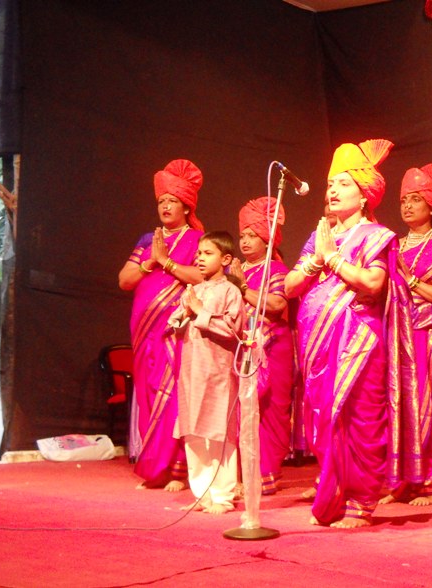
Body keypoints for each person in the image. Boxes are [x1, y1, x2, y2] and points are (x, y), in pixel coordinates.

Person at [285, 139, 395, 529]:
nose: (332, 190)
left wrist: (333, 259)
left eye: (344, 183)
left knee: (359, 420)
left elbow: (371, 283)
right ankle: (333, 497)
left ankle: (362, 502)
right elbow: (289, 286)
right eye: (331, 183)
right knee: (324, 420)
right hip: (317, 346)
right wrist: (318, 257)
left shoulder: (376, 236)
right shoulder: (320, 235)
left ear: (365, 195)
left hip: (358, 343)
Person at [117, 159, 205, 491]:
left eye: (171, 201)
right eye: (161, 201)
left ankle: (178, 469)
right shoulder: (147, 240)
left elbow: (203, 276)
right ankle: (155, 467)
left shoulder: (198, 239)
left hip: (176, 331)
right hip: (144, 331)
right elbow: (124, 280)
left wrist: (167, 263)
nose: (165, 206)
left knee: (174, 397)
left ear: (186, 206)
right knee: (149, 395)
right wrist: (150, 262)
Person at [380, 164, 432, 507]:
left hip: (429, 336)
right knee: (398, 406)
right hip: (395, 336)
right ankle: (401, 481)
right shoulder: (393, 245)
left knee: (431, 405)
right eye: (404, 201)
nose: (408, 206)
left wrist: (411, 282)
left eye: (416, 200)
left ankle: (429, 481)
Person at [169, 231, 244, 515]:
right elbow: (178, 326)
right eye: (198, 253)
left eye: (207, 253)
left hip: (219, 373)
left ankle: (223, 496)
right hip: (192, 370)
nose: (200, 258)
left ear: (225, 259)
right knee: (194, 432)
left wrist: (200, 313)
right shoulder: (193, 290)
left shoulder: (231, 292)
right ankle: (202, 494)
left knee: (219, 434)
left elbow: (233, 331)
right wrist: (181, 316)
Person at [229, 197, 293, 495]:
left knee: (269, 412)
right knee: (244, 412)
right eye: (242, 235)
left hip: (273, 351)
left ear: (267, 238)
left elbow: (278, 305)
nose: (245, 241)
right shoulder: (238, 270)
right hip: (243, 350)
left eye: (252, 235)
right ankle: (245, 475)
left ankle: (267, 474)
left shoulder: (276, 269)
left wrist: (243, 289)